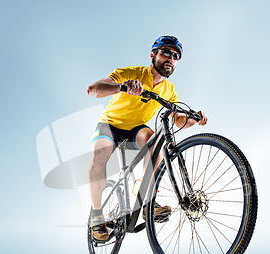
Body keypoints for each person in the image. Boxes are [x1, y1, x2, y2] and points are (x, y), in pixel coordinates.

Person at [86, 36, 208, 241]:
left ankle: (146, 202)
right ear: (153, 55)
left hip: (136, 130)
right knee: (99, 153)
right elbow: (93, 90)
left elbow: (178, 119)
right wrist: (122, 87)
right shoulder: (131, 73)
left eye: (176, 55)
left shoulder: (169, 90)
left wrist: (194, 119)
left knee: (154, 140)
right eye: (166, 52)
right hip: (110, 125)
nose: (171, 58)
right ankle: (97, 217)